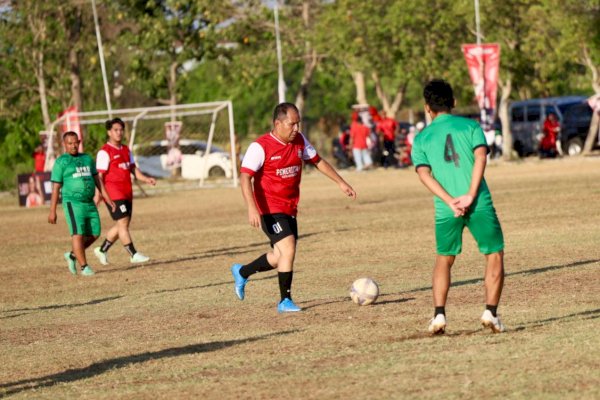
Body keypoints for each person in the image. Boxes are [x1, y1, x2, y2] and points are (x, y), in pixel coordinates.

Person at [231, 102, 357, 313]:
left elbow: (318, 161)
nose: (296, 129)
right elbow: (245, 178)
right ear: (277, 123)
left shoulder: (300, 141)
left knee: (281, 257)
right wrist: (251, 208)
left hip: (290, 207)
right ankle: (284, 301)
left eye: (298, 124)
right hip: (269, 209)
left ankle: (243, 272)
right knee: (288, 247)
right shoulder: (260, 147)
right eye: (292, 124)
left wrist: (341, 182)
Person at [411, 79, 506, 334]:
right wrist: (470, 195)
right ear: (453, 102)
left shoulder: (421, 138)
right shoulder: (471, 126)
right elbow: (480, 157)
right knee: (494, 253)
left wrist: (449, 200)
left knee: (444, 259)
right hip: (478, 203)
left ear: (427, 107)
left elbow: (424, 174)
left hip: (446, 209)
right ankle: (490, 312)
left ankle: (439, 316)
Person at [48, 131, 115, 276]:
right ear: (64, 145)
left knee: (95, 233)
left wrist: (107, 198)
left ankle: (72, 255)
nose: (73, 146)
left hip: (89, 203)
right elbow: (55, 188)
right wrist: (52, 210)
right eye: (70, 143)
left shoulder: (87, 159)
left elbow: (98, 181)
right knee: (78, 234)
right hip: (73, 204)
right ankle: (84, 267)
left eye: (75, 142)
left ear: (79, 142)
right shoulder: (61, 162)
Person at [93, 118, 156, 266]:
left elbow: (133, 169)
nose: (119, 132)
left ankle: (102, 250)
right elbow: (99, 176)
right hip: (113, 194)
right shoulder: (104, 152)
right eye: (116, 130)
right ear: (109, 132)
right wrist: (98, 195)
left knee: (122, 225)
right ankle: (133, 254)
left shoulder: (126, 150)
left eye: (121, 130)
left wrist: (146, 179)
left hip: (127, 193)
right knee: (122, 224)